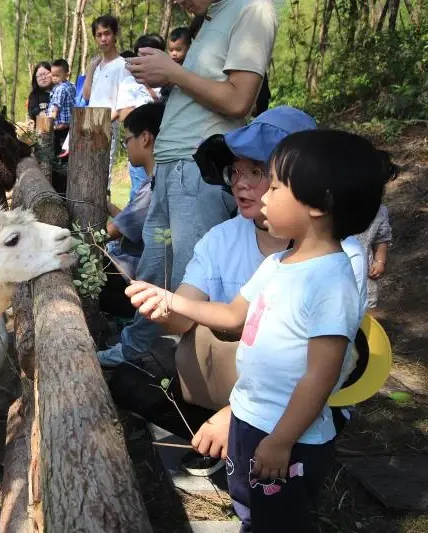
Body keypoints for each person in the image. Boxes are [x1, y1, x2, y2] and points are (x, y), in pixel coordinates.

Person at [126, 129, 396, 532]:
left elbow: (321, 376)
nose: (260, 192)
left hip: (287, 431)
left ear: (318, 204)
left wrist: (282, 440)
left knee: (281, 518)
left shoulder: (331, 280)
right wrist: (170, 300)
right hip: (252, 416)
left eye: (275, 183)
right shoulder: (278, 264)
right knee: (251, 505)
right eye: (237, 172)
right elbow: (234, 316)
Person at [106, 107, 368, 464]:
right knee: (129, 379)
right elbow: (188, 316)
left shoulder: (340, 261)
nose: (240, 184)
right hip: (236, 386)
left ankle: (256, 443)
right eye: (236, 171)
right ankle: (224, 443)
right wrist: (163, 305)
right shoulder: (224, 239)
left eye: (261, 174)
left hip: (298, 400)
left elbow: (323, 369)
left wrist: (235, 415)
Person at [99, 0, 278, 370]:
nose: (177, 2)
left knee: (188, 279)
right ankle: (136, 352)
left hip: (197, 168)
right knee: (154, 269)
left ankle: (192, 373)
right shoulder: (211, 18)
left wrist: (172, 72)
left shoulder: (252, 9)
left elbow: (239, 99)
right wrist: (166, 74)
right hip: (171, 167)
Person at [99, 102, 165, 318]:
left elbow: (112, 231)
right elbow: (129, 220)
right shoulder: (154, 181)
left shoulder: (154, 186)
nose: (126, 147)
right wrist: (107, 204)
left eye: (127, 140)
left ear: (145, 138)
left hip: (135, 281)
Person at [113, 34, 167, 201]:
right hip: (141, 146)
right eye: (139, 56)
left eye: (149, 56)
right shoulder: (129, 83)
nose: (143, 61)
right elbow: (124, 115)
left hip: (164, 149)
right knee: (139, 192)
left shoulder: (169, 81)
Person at [82, 15, 130, 190]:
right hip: (88, 123)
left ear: (115, 34)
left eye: (107, 33)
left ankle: (100, 214)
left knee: (102, 173)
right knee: (86, 171)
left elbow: (122, 104)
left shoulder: (123, 65)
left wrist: (102, 123)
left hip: (107, 125)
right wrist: (89, 71)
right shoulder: (96, 65)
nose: (103, 38)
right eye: (99, 34)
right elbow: (87, 96)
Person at [46, 59, 77, 195]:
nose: (54, 78)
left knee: (59, 160)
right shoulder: (72, 86)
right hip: (70, 128)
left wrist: (48, 122)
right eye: (53, 75)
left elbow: (55, 108)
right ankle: (68, 189)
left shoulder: (59, 89)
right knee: (67, 159)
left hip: (60, 129)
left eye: (57, 75)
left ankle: (61, 191)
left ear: (66, 74)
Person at [354, 204, 393, 309]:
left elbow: (381, 238)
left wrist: (379, 261)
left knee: (364, 309)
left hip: (364, 273)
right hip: (333, 272)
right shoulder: (328, 204)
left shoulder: (378, 210)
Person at [27, 62, 52, 127]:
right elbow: (33, 111)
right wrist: (43, 114)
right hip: (42, 129)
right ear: (35, 79)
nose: (43, 77)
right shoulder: (34, 95)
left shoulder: (60, 93)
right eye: (40, 75)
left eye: (45, 74)